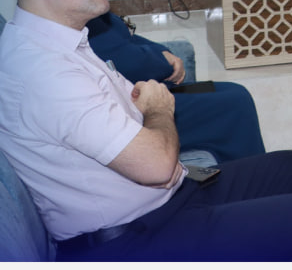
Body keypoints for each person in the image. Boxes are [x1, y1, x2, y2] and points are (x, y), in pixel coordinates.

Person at [0, 0, 292, 261]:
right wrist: (159, 109)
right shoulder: (44, 72)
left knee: (289, 167)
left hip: (164, 200)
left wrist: (152, 116)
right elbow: (156, 166)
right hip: (130, 238)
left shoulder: (57, 41)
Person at [86, 12, 266, 163]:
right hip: (133, 112)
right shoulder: (82, 17)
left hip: (146, 91)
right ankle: (249, 179)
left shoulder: (91, 9)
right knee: (236, 103)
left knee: (232, 91)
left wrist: (162, 51)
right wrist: (163, 60)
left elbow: (128, 39)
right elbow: (129, 62)